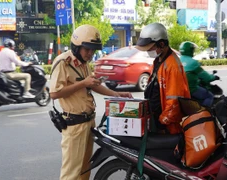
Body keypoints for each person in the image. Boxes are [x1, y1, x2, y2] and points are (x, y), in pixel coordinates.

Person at [49, 24, 132, 180]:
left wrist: (116, 94)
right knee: (71, 173)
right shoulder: (63, 62)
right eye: (87, 49)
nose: (90, 53)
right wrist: (83, 84)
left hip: (88, 122)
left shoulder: (84, 64)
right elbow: (54, 93)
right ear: (76, 47)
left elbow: (94, 84)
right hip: (74, 125)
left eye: (93, 50)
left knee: (84, 170)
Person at [135, 22, 190, 134]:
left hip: (167, 126)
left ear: (161, 44)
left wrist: (163, 121)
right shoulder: (159, 61)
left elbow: (174, 101)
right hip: (157, 119)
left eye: (151, 48)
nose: (148, 51)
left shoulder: (172, 66)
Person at [179, 41, 219, 107]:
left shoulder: (177, 60)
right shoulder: (193, 62)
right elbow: (207, 78)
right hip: (191, 89)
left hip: (180, 89)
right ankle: (205, 113)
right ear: (190, 50)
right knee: (209, 96)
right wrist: (214, 77)